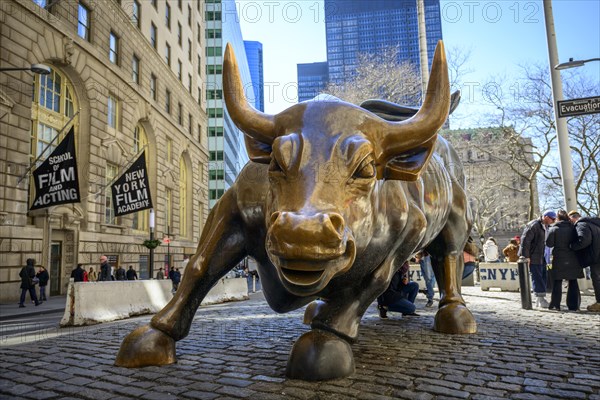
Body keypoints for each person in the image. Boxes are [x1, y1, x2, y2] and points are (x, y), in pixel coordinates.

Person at [546, 210, 584, 311]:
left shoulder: (554, 229)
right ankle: (573, 305)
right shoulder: (573, 227)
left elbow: (549, 244)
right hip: (573, 257)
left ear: (558, 218)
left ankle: (555, 304)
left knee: (557, 281)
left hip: (559, 257)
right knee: (573, 281)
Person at [519, 210, 556, 308]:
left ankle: (540, 298)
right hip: (534, 255)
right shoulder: (534, 225)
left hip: (542, 255)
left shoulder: (546, 226)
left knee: (543, 275)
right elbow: (525, 241)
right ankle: (540, 298)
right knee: (537, 276)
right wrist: (526, 257)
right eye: (552, 219)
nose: (553, 221)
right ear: (546, 217)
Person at [568, 210, 600, 312]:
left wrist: (572, 246)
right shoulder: (595, 224)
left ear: (573, 218)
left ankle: (599, 303)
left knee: (597, 278)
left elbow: (584, 240)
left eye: (570, 221)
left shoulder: (581, 224)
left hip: (595, 257)